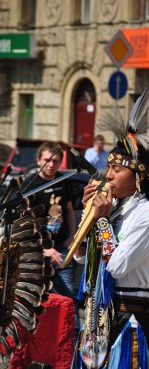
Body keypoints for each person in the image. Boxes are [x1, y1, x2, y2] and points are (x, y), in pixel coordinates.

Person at [73, 83, 149, 368]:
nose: (108, 176)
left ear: (139, 176)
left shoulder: (147, 217)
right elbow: (80, 256)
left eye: (117, 169)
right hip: (98, 318)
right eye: (108, 168)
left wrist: (100, 220)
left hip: (128, 322)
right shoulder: (117, 209)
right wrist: (87, 218)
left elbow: (116, 266)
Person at [21, 141, 79, 335]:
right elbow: (23, 225)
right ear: (39, 160)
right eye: (46, 160)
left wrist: (72, 236)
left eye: (55, 161)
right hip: (36, 254)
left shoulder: (63, 181)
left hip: (61, 249)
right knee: (37, 303)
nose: (51, 164)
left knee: (68, 299)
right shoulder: (29, 185)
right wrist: (44, 250)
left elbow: (69, 210)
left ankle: (71, 342)